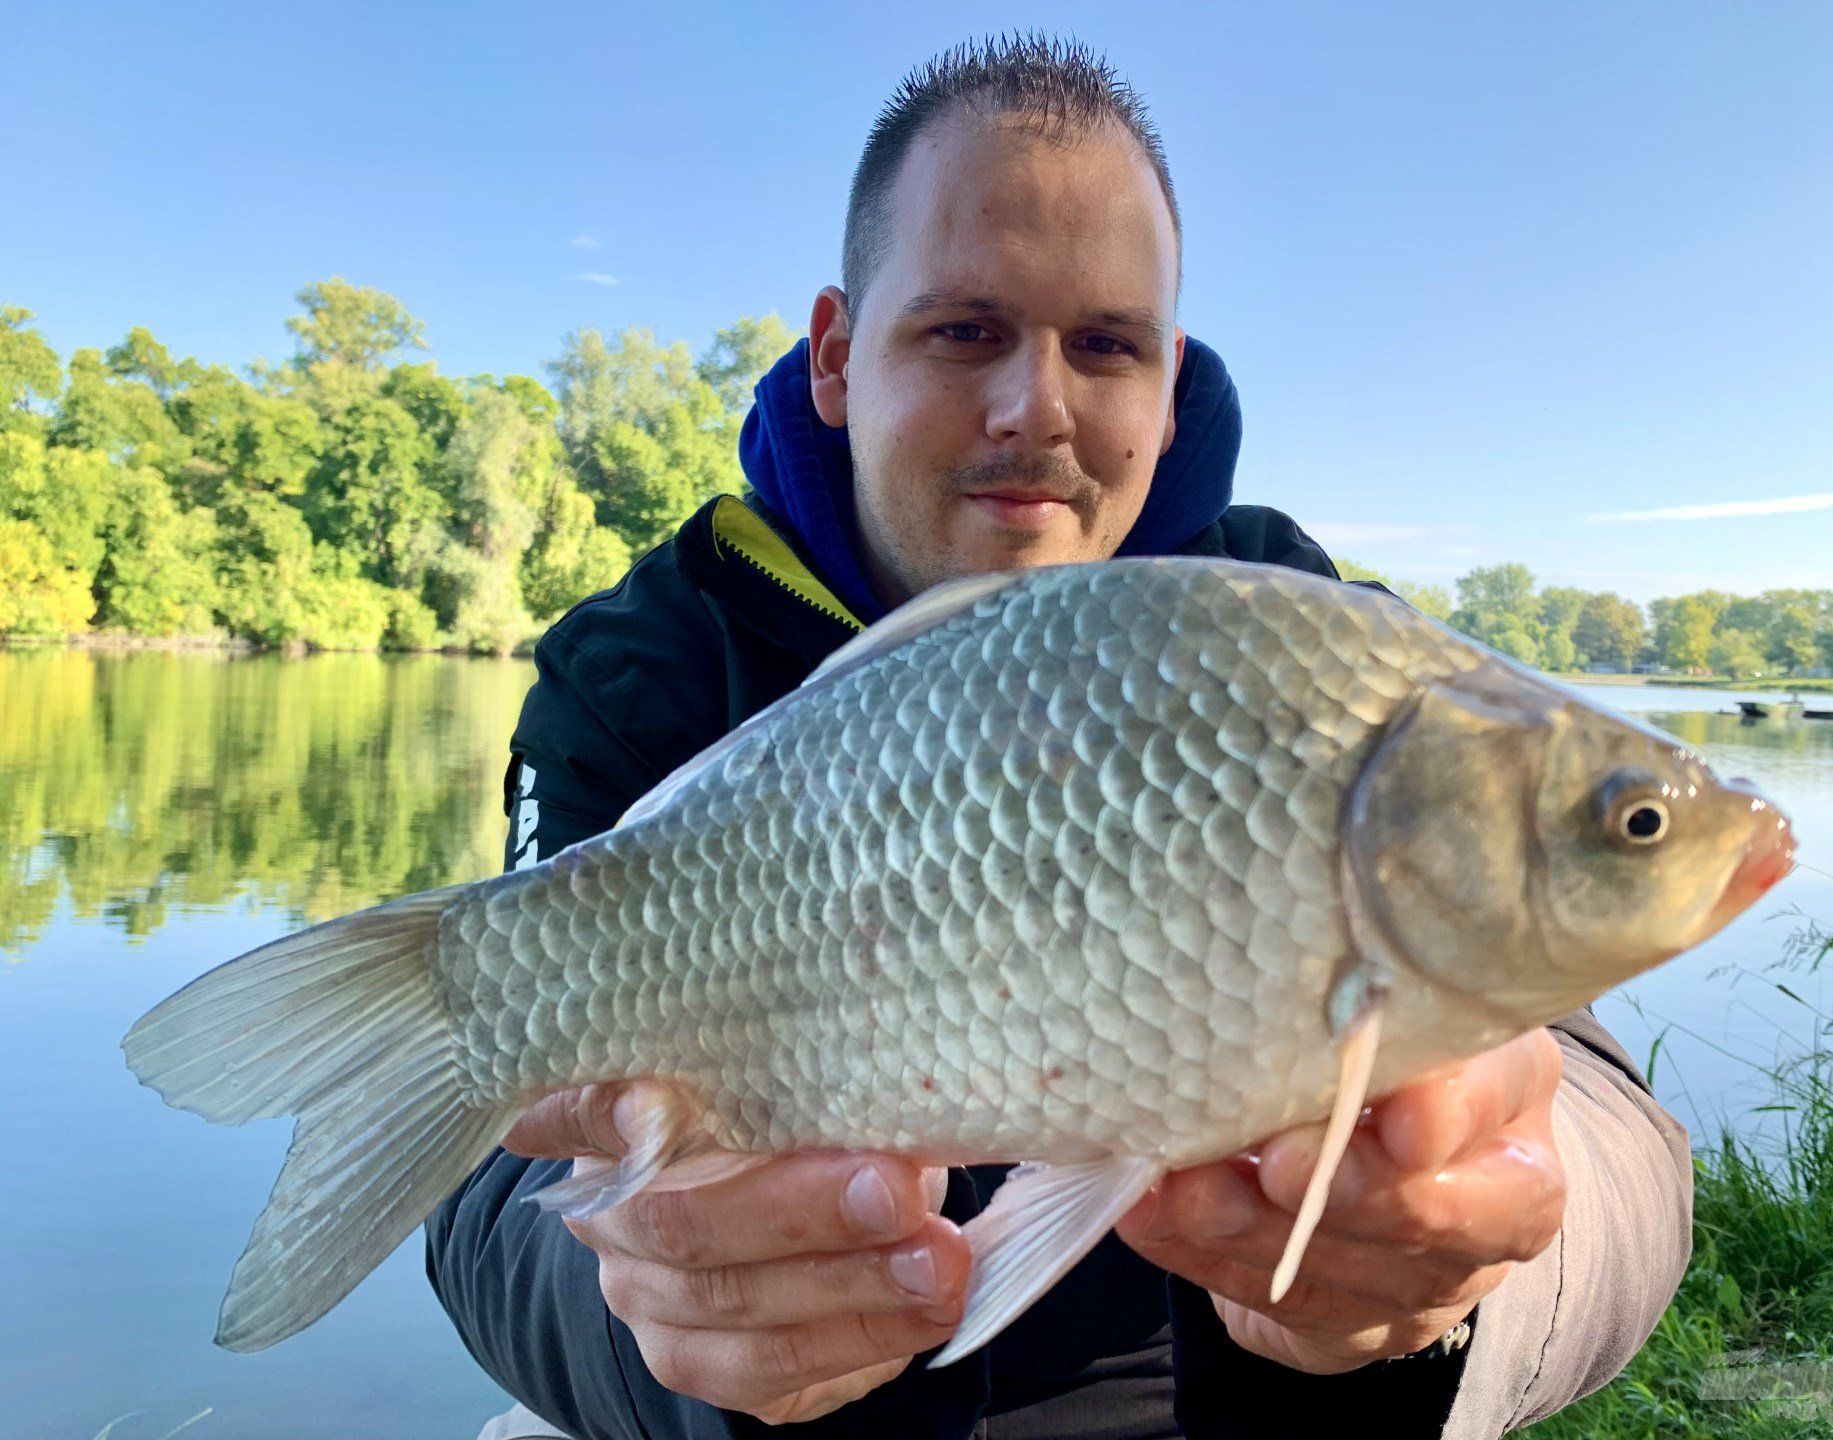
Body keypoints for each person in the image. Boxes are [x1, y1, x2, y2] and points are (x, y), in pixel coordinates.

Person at [427, 32, 1692, 1440]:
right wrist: (657, 1322)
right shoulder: (650, 663)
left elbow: (1601, 1123)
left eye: (1105, 344)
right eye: (965, 330)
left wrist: (1470, 1263)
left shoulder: (1318, 645)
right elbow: (486, 1193)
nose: (1038, 408)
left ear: (1167, 379)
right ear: (839, 355)